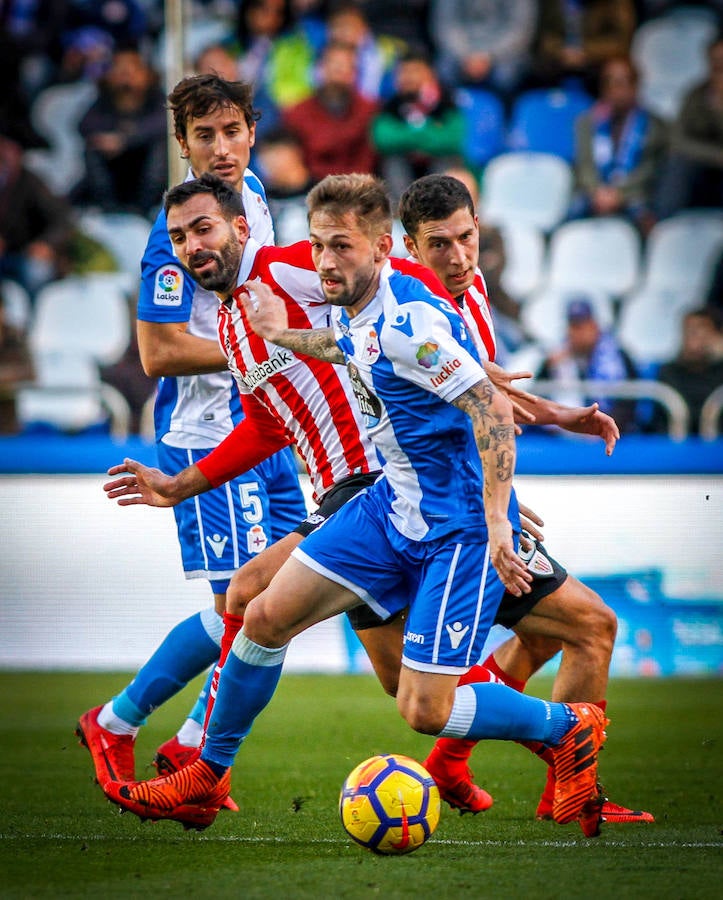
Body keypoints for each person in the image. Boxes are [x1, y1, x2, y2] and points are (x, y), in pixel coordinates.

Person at [103, 172, 609, 836]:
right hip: (384, 506)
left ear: (379, 247)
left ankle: (567, 728)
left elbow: (480, 400)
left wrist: (496, 519)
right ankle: (207, 769)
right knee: (260, 614)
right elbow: (347, 350)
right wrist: (282, 335)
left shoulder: (405, 316)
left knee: (424, 707)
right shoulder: (348, 315)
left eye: (340, 247)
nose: (325, 262)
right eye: (317, 246)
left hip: (450, 522)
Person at [76, 75, 307, 803]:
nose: (221, 147)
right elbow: (159, 354)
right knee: (248, 608)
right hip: (206, 435)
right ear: (182, 145)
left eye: (231, 130)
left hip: (266, 430)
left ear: (250, 131)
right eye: (203, 135)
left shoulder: (258, 198)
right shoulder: (173, 230)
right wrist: (268, 348)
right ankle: (151, 736)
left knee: (274, 600)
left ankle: (173, 742)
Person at [397, 173, 652, 826]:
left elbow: (488, 393)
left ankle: (461, 763)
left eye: (466, 237)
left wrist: (563, 415)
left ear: (478, 226)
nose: (457, 257)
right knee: (588, 628)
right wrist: (495, 509)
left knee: (553, 635)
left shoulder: (470, 290)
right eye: (438, 246)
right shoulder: (412, 316)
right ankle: (568, 788)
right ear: (407, 246)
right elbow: (472, 410)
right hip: (438, 519)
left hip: (471, 506)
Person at [570, 55, 667, 235]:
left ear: (635, 86)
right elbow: (584, 164)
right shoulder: (587, 122)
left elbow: (650, 169)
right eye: (610, 83)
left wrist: (619, 193)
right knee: (573, 208)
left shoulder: (654, 125)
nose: (616, 90)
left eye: (622, 83)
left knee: (645, 214)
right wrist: (597, 192)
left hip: (633, 192)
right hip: (595, 193)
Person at [73, 46, 168, 217]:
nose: (126, 74)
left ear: (146, 74)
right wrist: (110, 137)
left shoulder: (155, 97)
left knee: (160, 145)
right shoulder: (105, 99)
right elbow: (84, 125)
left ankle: (144, 210)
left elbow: (164, 123)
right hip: (114, 170)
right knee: (93, 147)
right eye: (120, 69)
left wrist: (125, 139)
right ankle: (107, 207)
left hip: (147, 174)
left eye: (132, 68)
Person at [371, 47, 466, 203]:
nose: (408, 77)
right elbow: (382, 139)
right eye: (403, 72)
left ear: (430, 74)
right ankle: (402, 210)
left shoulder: (447, 102)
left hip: (437, 166)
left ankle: (439, 207)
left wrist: (407, 136)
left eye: (415, 71)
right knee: (392, 160)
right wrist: (427, 133)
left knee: (447, 159)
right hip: (404, 173)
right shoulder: (390, 105)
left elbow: (452, 139)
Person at [537, 295, 640, 433]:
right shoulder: (556, 360)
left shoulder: (619, 357)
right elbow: (539, 398)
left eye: (581, 326)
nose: (575, 333)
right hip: (565, 438)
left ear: (594, 326)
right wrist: (546, 367)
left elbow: (629, 401)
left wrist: (601, 428)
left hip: (611, 434)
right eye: (572, 326)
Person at [281, 41, 378, 183]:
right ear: (320, 68)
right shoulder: (296, 113)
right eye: (335, 65)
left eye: (348, 67)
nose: (340, 72)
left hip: (360, 188)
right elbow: (298, 162)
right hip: (313, 189)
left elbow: (368, 159)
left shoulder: (369, 109)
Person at [0, 125, 75, 301]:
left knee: (37, 271)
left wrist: (46, 243)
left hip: (24, 255)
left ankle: (36, 321)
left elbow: (63, 219)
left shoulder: (31, 183)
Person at [656, 36, 723, 218]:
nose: (719, 67)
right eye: (715, 61)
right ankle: (664, 222)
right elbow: (677, 141)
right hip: (703, 171)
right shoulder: (696, 94)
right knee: (677, 163)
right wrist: (717, 156)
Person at [429, 0, 536, 100]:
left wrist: (487, 56)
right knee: (443, 69)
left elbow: (520, 30)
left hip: (503, 52)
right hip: (461, 51)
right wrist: (466, 54)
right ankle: (451, 115)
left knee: (506, 74)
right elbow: (444, 25)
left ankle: (503, 117)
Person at [651, 306, 723, 436]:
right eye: (689, 331)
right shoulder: (669, 372)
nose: (694, 339)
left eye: (701, 332)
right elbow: (661, 424)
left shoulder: (720, 373)